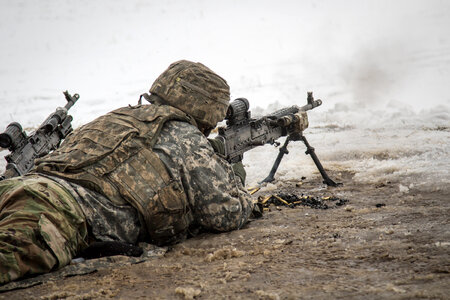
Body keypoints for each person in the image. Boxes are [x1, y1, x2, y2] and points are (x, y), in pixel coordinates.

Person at [0, 60, 254, 284]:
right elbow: (224, 214)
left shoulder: (117, 116)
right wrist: (237, 180)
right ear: (205, 109)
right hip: (55, 211)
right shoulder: (185, 135)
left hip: (20, 188)